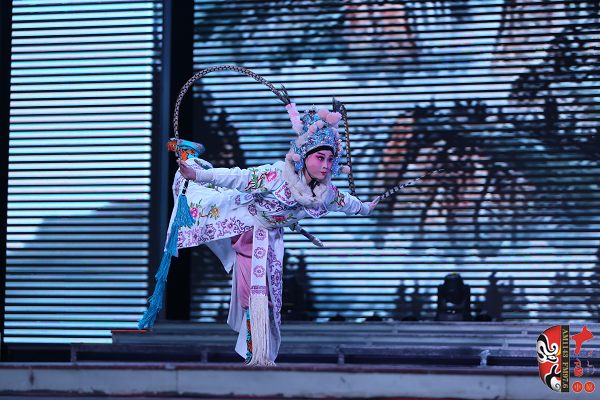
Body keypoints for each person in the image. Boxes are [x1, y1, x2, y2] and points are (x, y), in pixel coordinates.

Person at [154, 103, 379, 366]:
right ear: (303, 156)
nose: (326, 166)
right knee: (198, 197)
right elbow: (238, 177)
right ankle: (189, 154)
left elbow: (345, 202)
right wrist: (198, 174)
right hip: (238, 217)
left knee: (265, 296)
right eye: (320, 158)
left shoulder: (324, 192)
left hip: (266, 237)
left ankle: (258, 353)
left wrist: (365, 208)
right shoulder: (276, 175)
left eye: (330, 160)